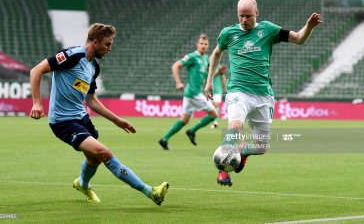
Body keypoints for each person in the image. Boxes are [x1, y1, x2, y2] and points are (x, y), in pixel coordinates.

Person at [30, 23, 169, 205]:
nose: (110, 49)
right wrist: (37, 103)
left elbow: (91, 100)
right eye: (107, 44)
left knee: (93, 159)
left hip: (82, 118)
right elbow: (36, 70)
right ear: (95, 42)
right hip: (63, 122)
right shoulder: (71, 56)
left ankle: (82, 184)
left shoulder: (93, 67)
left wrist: (117, 120)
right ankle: (150, 192)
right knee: (104, 153)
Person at [204, 0, 322, 186]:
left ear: (256, 13)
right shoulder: (228, 34)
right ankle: (223, 170)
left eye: (248, 16)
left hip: (263, 96)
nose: (244, 20)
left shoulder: (268, 30)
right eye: (241, 16)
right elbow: (216, 53)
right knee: (235, 126)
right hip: (238, 92)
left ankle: (243, 152)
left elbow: (299, 39)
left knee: (260, 148)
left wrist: (309, 26)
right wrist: (210, 80)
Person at [158, 34, 227, 150]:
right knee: (214, 114)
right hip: (194, 93)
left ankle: (164, 139)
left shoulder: (205, 59)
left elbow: (205, 76)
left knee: (184, 120)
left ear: (208, 45)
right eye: (201, 44)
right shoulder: (192, 57)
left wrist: (218, 73)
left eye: (205, 44)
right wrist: (178, 82)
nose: (203, 46)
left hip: (190, 94)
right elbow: (175, 66)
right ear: (197, 44)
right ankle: (192, 131)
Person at [210, 64, 227, 129]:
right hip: (209, 90)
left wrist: (226, 88)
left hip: (217, 90)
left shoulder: (219, 67)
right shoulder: (207, 67)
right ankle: (212, 120)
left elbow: (223, 78)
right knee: (211, 107)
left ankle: (215, 121)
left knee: (216, 105)